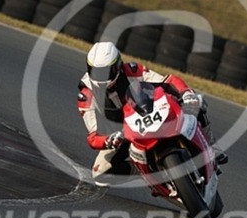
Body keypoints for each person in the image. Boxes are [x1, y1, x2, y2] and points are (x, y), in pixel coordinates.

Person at [77, 41, 227, 186]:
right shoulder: (86, 95)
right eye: (95, 71)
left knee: (195, 102)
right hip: (122, 134)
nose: (101, 78)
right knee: (100, 174)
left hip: (150, 113)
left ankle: (212, 146)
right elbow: (93, 136)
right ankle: (145, 172)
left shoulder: (132, 71)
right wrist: (109, 140)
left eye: (106, 72)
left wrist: (186, 93)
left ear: (117, 66)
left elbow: (168, 81)